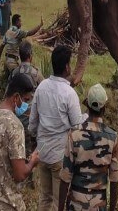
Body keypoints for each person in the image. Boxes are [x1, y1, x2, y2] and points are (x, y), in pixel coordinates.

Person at [29, 45, 86, 211]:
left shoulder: (41, 87)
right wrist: (86, 117)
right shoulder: (69, 93)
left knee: (44, 198)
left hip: (42, 152)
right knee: (57, 201)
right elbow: (76, 125)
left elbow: (32, 123)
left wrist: (36, 140)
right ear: (67, 66)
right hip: (59, 156)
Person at [0, 73, 40, 211]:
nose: (27, 105)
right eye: (26, 100)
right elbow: (20, 174)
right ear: (16, 97)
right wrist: (33, 162)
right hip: (8, 204)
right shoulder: (15, 125)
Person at [59, 83, 118, 211]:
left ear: (86, 105)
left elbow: (65, 177)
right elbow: (114, 180)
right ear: (104, 108)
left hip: (76, 202)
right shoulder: (112, 137)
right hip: (98, 204)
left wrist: (60, 208)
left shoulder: (74, 134)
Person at [10, 41, 44, 160]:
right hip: (31, 117)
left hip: (16, 118)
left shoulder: (14, 72)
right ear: (30, 56)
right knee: (31, 152)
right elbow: (43, 91)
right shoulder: (36, 73)